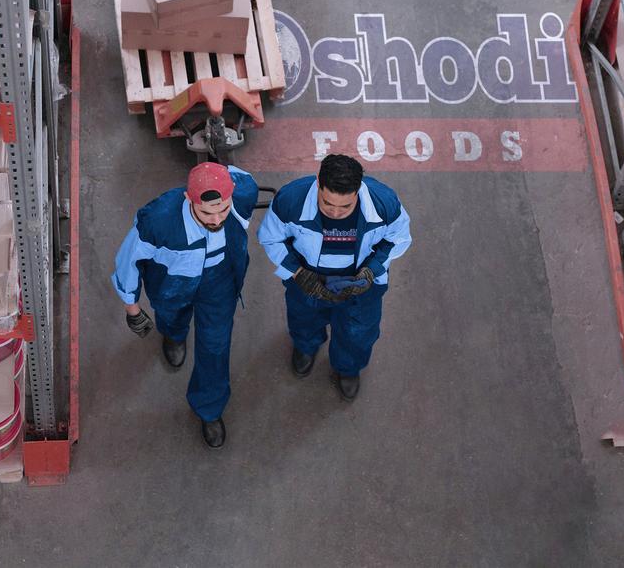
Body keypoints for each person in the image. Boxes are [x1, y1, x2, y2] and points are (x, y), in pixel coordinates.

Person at [111, 162, 258, 449]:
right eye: (206, 212)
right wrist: (132, 307)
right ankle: (174, 334)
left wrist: (212, 170)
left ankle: (209, 408)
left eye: (223, 209)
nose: (216, 219)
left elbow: (241, 175)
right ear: (189, 200)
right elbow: (129, 259)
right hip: (172, 285)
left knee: (215, 347)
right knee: (172, 318)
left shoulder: (244, 194)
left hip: (219, 283)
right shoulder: (157, 221)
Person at [257, 154, 411, 401]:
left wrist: (372, 269)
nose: (336, 212)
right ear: (318, 183)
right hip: (306, 281)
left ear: (359, 190)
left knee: (359, 330)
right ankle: (306, 346)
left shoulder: (385, 203)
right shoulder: (290, 200)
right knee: (304, 319)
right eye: (328, 203)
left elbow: (399, 239)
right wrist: (297, 273)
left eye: (346, 206)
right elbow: (271, 238)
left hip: (362, 285)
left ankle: (348, 367)